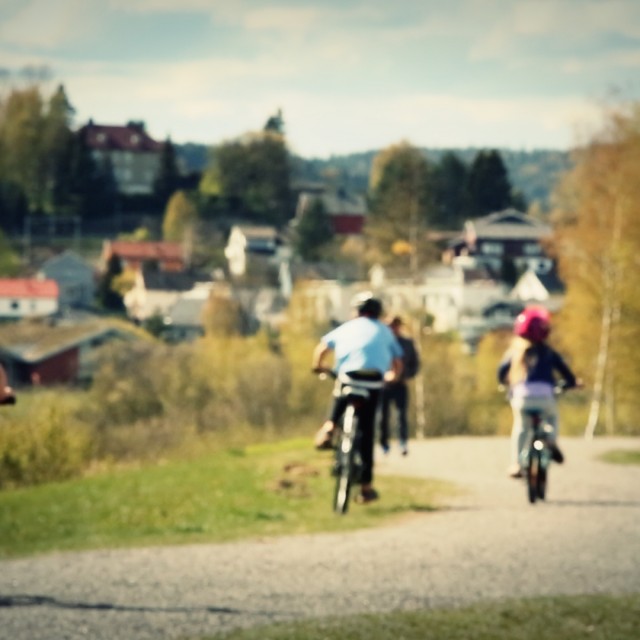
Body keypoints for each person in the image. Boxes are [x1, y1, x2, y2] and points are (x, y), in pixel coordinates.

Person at [312, 293, 403, 504]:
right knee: (368, 432)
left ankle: (328, 427)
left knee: (340, 391)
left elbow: (322, 348)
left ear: (356, 311)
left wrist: (318, 365)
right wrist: (393, 377)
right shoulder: (385, 331)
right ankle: (366, 488)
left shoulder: (347, 327)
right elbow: (397, 362)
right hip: (373, 382)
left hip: (349, 377)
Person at [497, 305, 580, 478]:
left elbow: (501, 372)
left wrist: (505, 382)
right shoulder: (549, 352)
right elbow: (566, 373)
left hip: (522, 398)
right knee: (552, 417)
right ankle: (550, 440)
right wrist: (573, 383)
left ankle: (517, 465)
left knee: (521, 428)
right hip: (545, 396)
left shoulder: (516, 351)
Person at [379, 316, 420, 456]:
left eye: (396, 325)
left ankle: (402, 442)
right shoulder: (382, 343)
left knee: (401, 415)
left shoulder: (407, 343)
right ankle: (383, 443)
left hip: (400, 384)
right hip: (383, 385)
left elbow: (415, 365)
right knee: (382, 416)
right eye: (391, 325)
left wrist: (403, 375)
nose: (393, 328)